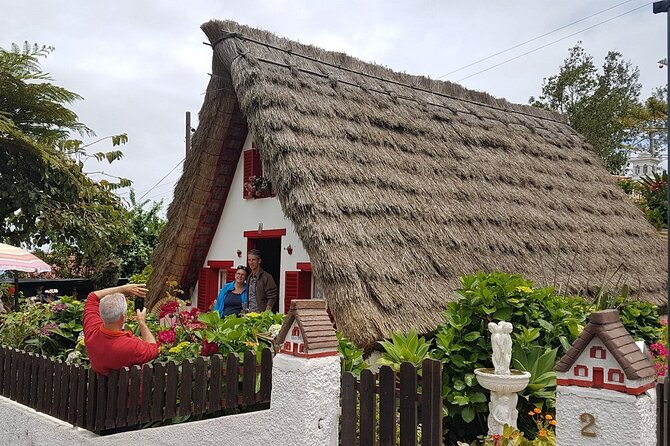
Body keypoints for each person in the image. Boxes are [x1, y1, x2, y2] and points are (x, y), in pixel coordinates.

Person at [83, 283, 158, 376]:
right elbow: (153, 349)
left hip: (100, 387)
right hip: (129, 389)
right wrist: (142, 322)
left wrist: (123, 289)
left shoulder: (91, 330)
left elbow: (93, 297)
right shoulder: (131, 346)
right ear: (122, 317)